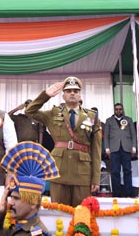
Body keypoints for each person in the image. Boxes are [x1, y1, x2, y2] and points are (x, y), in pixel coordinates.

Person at [25, 76, 102, 206]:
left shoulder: (92, 116)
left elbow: (96, 150)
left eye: (76, 91)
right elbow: (29, 111)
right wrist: (46, 96)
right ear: (63, 95)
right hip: (59, 171)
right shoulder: (53, 114)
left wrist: (96, 178)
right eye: (68, 91)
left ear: (80, 95)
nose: (72, 93)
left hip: (82, 173)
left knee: (81, 213)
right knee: (58, 213)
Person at [0, 141, 60, 236]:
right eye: (11, 197)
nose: (10, 203)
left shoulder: (36, 233)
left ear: (33, 203)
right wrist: (1, 211)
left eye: (16, 198)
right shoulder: (18, 228)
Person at [103, 102, 137, 197]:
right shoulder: (109, 121)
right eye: (116, 109)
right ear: (114, 110)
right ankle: (117, 194)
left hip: (126, 149)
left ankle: (128, 193)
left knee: (127, 171)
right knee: (115, 172)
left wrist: (134, 148)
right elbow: (106, 136)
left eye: (120, 109)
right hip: (114, 149)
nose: (118, 111)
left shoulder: (128, 120)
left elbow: (133, 135)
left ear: (123, 110)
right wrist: (107, 149)